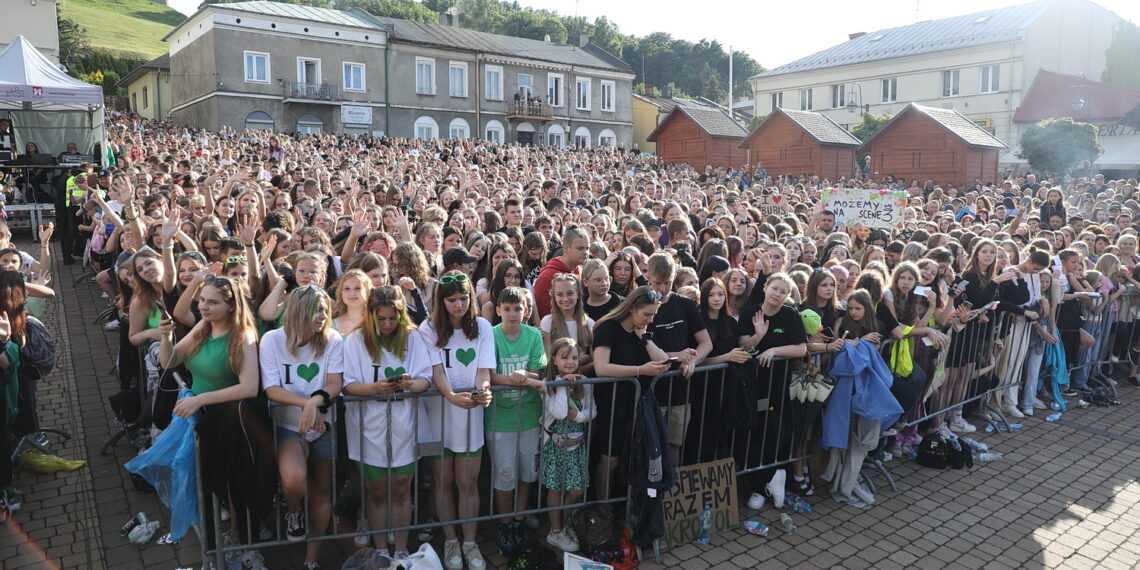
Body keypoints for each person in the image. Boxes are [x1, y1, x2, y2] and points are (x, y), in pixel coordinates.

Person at [157, 275, 270, 570]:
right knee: (213, 484)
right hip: (205, 421)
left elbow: (249, 387)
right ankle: (222, 544)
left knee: (240, 484)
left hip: (237, 422)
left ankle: (248, 544)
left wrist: (200, 399)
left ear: (231, 306)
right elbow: (169, 362)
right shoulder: (202, 327)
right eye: (202, 300)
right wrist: (165, 337)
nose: (204, 306)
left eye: (212, 302)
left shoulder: (242, 336)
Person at [341, 286, 433, 561]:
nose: (388, 324)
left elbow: (425, 378)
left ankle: (402, 547)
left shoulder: (412, 337)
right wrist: (374, 388)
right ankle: (381, 548)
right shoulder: (356, 340)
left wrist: (409, 383)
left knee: (402, 487)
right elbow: (347, 384)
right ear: (370, 316)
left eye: (393, 318)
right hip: (368, 424)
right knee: (377, 490)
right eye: (381, 319)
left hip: (404, 422)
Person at [259, 286, 343, 566]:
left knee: (321, 492)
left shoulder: (332, 339)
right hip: (287, 427)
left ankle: (311, 559)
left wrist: (314, 403)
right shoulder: (272, 340)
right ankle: (293, 510)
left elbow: (334, 383)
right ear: (298, 311)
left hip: (323, 426)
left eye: (324, 310)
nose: (322, 316)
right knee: (293, 478)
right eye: (315, 310)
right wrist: (305, 404)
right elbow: (271, 388)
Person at [418, 271, 493, 570]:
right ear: (441, 301)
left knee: (468, 482)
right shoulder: (429, 327)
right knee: (443, 480)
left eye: (464, 298)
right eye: (452, 300)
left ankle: (470, 542)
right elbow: (437, 372)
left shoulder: (483, 326)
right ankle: (451, 541)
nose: (459, 305)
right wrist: (451, 396)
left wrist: (483, 392)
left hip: (469, 415)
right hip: (439, 414)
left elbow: (483, 371)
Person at [590, 286, 670, 498]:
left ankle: (624, 506)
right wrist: (639, 370)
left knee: (635, 457)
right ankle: (603, 508)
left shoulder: (642, 330)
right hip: (613, 405)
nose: (650, 320)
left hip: (638, 406)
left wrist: (646, 338)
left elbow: (663, 362)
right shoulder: (608, 328)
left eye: (653, 315)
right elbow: (601, 368)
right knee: (611, 459)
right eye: (646, 314)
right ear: (632, 308)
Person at [486, 286, 547, 553]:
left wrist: (527, 375)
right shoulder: (490, 336)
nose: (512, 313)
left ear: (526, 310)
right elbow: (487, 373)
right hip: (500, 420)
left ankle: (519, 519)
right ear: (498, 310)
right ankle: (505, 523)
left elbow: (538, 372)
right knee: (504, 476)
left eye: (518, 308)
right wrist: (515, 378)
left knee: (527, 474)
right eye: (507, 308)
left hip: (530, 417)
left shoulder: (533, 335)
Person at [540, 337, 595, 552]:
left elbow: (593, 411)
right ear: (554, 360)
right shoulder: (549, 386)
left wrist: (580, 416)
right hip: (554, 446)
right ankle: (555, 531)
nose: (570, 362)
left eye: (574, 357)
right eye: (564, 358)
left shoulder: (585, 383)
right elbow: (561, 413)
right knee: (555, 488)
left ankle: (563, 523)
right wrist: (563, 385)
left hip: (576, 446)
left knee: (577, 489)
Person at [533, 226, 590, 318]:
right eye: (580, 248)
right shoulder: (547, 276)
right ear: (566, 248)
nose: (585, 253)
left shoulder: (580, 270)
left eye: (587, 248)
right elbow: (543, 313)